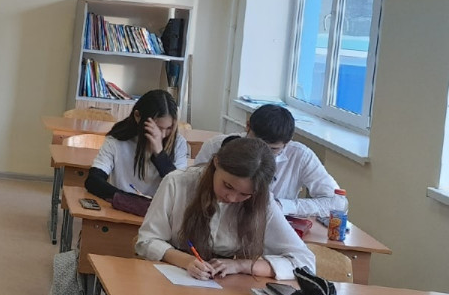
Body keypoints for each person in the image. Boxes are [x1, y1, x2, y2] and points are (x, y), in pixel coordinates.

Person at [136, 137, 315, 280]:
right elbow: (147, 241)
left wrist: (241, 265)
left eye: (244, 194)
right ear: (216, 163)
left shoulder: (262, 201)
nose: (232, 198)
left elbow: (305, 262)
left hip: (226, 285)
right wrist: (186, 261)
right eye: (228, 186)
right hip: (171, 274)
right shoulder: (177, 182)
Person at [193, 104, 347, 218]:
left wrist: (283, 205)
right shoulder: (216, 145)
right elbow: (193, 187)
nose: (262, 153)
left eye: (273, 149)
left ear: (287, 143)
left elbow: (338, 203)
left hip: (271, 227)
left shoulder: (301, 156)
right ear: (248, 126)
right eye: (256, 143)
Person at [85, 89, 188, 200]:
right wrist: (131, 200)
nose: (162, 135)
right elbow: (93, 181)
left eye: (168, 128)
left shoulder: (178, 144)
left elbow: (179, 188)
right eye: (157, 128)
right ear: (138, 116)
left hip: (159, 209)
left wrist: (159, 153)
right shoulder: (117, 139)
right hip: (122, 206)